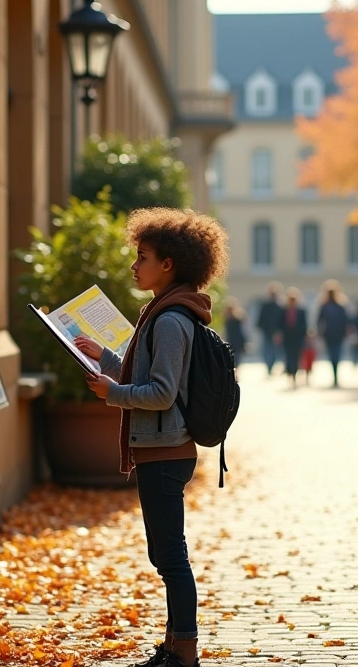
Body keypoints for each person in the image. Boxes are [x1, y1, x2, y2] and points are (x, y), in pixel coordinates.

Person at [73, 207, 229, 667]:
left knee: (171, 557)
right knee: (164, 554)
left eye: (142, 257)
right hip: (159, 450)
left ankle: (184, 651)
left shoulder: (169, 320)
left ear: (169, 264)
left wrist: (112, 393)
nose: (134, 265)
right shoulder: (163, 314)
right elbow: (152, 375)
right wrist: (105, 357)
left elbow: (160, 393)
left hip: (164, 451)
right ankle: (174, 646)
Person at [316, 282, 352, 388]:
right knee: (334, 355)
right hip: (332, 334)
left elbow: (345, 320)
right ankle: (335, 376)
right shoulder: (330, 306)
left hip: (335, 334)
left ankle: (335, 376)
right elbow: (320, 321)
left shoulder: (336, 306)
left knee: (335, 355)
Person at [279, 287, 309, 390]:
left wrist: (306, 335)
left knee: (296, 356)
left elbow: (304, 324)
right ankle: (289, 373)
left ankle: (295, 373)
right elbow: (280, 324)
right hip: (287, 337)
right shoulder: (283, 310)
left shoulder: (301, 311)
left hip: (298, 337)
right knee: (288, 356)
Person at [256, 282, 284, 376]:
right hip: (271, 331)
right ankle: (270, 366)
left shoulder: (276, 306)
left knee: (270, 350)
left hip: (271, 331)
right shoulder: (277, 306)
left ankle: (270, 366)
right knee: (271, 350)